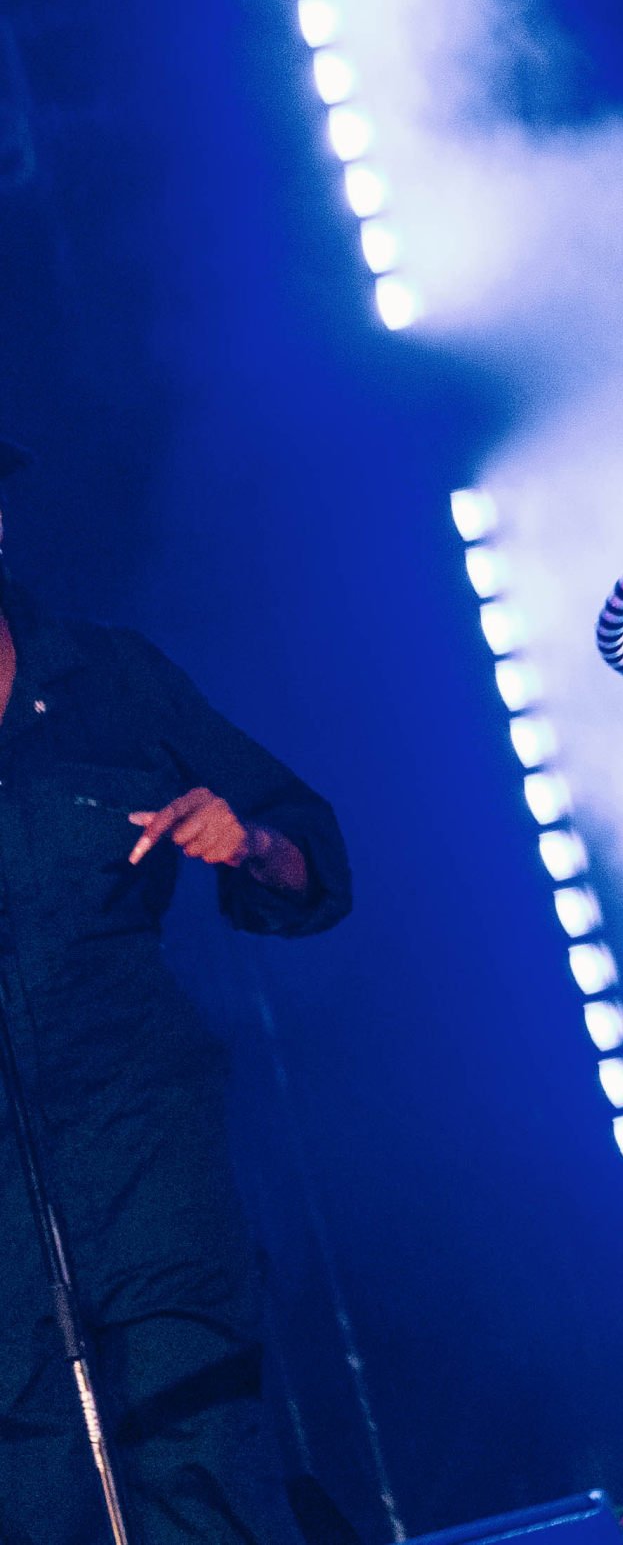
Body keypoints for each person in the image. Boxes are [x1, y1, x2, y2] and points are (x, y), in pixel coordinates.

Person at [0, 435, 352, 1543]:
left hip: (148, 1157)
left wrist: (245, 842)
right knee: (40, 1491)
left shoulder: (111, 680)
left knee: (200, 1463)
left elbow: (310, 857)